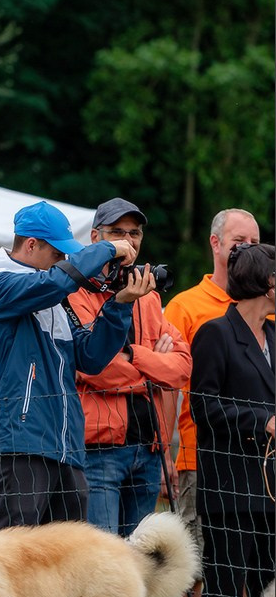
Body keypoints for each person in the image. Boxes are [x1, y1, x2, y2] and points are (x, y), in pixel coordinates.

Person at [0, 199, 148, 530]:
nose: (64, 260)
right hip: (22, 442)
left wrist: (120, 305)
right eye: (57, 253)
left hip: (67, 447)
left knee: (68, 564)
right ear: (31, 244)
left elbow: (91, 358)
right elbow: (56, 282)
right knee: (12, 555)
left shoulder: (51, 294)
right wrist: (108, 249)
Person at [163, 209, 261, 597]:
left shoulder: (266, 311)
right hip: (197, 457)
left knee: (238, 567)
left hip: (256, 462)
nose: (246, 248)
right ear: (216, 244)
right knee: (192, 568)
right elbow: (170, 383)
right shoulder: (185, 306)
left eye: (254, 242)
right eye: (238, 239)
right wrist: (166, 445)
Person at [67, 198, 191, 537]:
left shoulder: (149, 296)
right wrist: (154, 369)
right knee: (105, 563)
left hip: (148, 451)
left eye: (134, 232)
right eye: (117, 232)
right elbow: (95, 368)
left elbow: (181, 368)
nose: (128, 240)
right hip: (99, 451)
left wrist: (134, 356)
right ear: (95, 237)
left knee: (142, 565)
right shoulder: (75, 292)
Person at [190, 242, 275, 597]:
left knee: (268, 584)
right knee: (225, 586)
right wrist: (260, 420)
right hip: (229, 486)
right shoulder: (215, 334)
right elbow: (202, 406)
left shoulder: (275, 337)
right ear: (266, 283)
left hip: (270, 489)